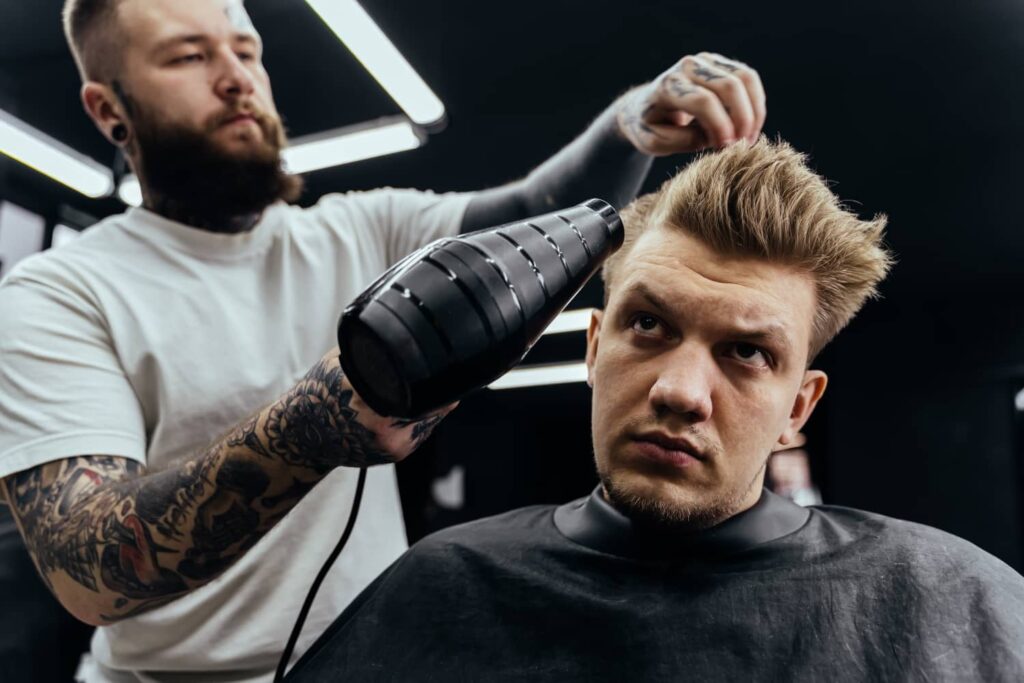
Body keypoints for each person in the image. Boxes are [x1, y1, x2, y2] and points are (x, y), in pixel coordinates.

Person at [0, 0, 769, 680]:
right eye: (188, 56)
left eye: (245, 49)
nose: (236, 77)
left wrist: (629, 126)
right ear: (109, 109)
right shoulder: (60, 290)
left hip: (373, 659)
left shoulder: (358, 229)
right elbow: (86, 567)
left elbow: (538, 220)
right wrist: (311, 426)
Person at [284, 139, 1024, 682]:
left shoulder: (954, 602)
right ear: (594, 348)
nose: (680, 391)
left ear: (798, 408)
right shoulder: (440, 585)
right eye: (647, 324)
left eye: (746, 352)